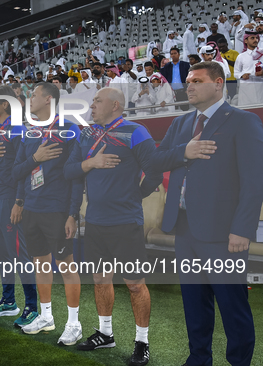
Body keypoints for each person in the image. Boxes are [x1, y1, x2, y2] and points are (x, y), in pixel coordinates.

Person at [151, 61, 262, 366]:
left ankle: (239, 362)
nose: (189, 86)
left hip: (224, 233)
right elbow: (158, 160)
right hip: (184, 228)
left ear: (218, 84)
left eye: (197, 80)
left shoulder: (243, 121)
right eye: (188, 81)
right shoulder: (181, 124)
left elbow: (255, 182)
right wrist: (183, 152)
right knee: (194, 304)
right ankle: (198, 359)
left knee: (232, 306)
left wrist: (242, 228)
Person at [64, 88, 161, 365]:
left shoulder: (136, 131)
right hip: (94, 221)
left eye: (97, 101)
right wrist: (91, 162)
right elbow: (69, 171)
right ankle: (105, 334)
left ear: (115, 105)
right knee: (99, 279)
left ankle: (142, 341)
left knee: (134, 284)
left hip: (126, 222)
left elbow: (154, 170)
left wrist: (137, 195)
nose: (92, 105)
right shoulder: (86, 134)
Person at [11, 83, 82, 343]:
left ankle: (74, 324)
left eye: (33, 95)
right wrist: (35, 160)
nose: (29, 100)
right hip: (31, 208)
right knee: (40, 263)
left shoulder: (69, 130)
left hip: (57, 209)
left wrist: (73, 213)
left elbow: (76, 177)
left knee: (66, 266)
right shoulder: (29, 134)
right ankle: (47, 316)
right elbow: (17, 172)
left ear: (48, 99)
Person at [0, 85, 39, 327]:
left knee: (19, 254)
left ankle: (32, 307)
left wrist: (19, 201)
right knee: (3, 253)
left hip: (10, 199)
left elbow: (26, 169)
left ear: (5, 104)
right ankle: (8, 301)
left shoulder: (18, 130)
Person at [234, 30, 263, 106]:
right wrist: (242, 75)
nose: (255, 40)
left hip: (260, 88)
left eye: (256, 38)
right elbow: (236, 73)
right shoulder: (241, 57)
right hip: (246, 90)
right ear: (246, 41)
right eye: (252, 38)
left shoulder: (262, 54)